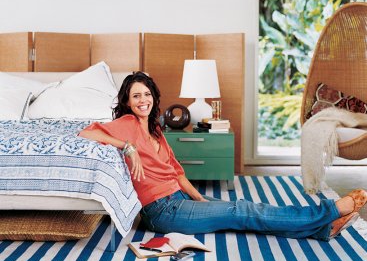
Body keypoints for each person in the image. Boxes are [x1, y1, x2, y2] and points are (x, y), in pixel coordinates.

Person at [79, 72, 367, 241]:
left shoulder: (155, 128)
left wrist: (199, 199)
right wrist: (126, 146)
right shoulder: (127, 124)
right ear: (128, 102)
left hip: (178, 200)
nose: (142, 101)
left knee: (244, 207)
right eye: (135, 96)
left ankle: (322, 230)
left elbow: (177, 173)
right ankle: (328, 212)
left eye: (146, 94)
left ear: (153, 96)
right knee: (242, 213)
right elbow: (86, 133)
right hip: (160, 213)